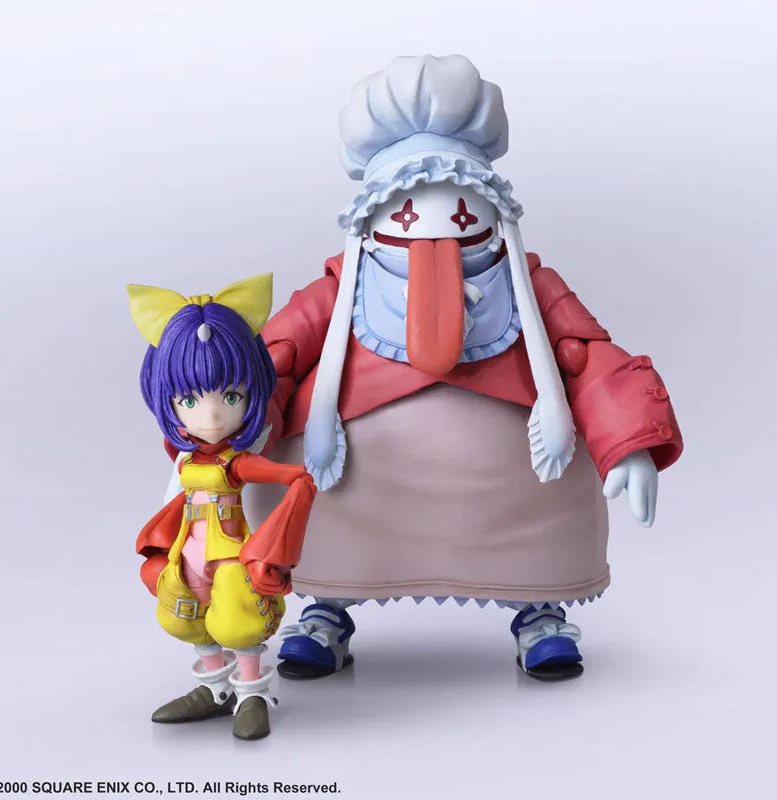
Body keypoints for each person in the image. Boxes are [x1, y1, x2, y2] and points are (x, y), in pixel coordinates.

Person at [246, 55, 683, 683]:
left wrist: (630, 442)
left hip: (517, 486)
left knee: (539, 534)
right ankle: (326, 608)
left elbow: (587, 356)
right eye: (408, 207)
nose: (435, 230)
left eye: (458, 207)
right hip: (353, 483)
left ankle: (539, 611)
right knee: (330, 533)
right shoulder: (340, 289)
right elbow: (275, 357)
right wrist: (234, 430)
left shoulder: (529, 285)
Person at [129, 274, 316, 738]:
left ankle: (252, 694)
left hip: (230, 553)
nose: (211, 416)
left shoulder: (236, 461)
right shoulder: (187, 460)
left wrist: (297, 485)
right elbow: (173, 498)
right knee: (187, 616)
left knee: (237, 619)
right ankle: (215, 689)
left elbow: (282, 475)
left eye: (231, 397)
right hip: (188, 551)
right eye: (188, 400)